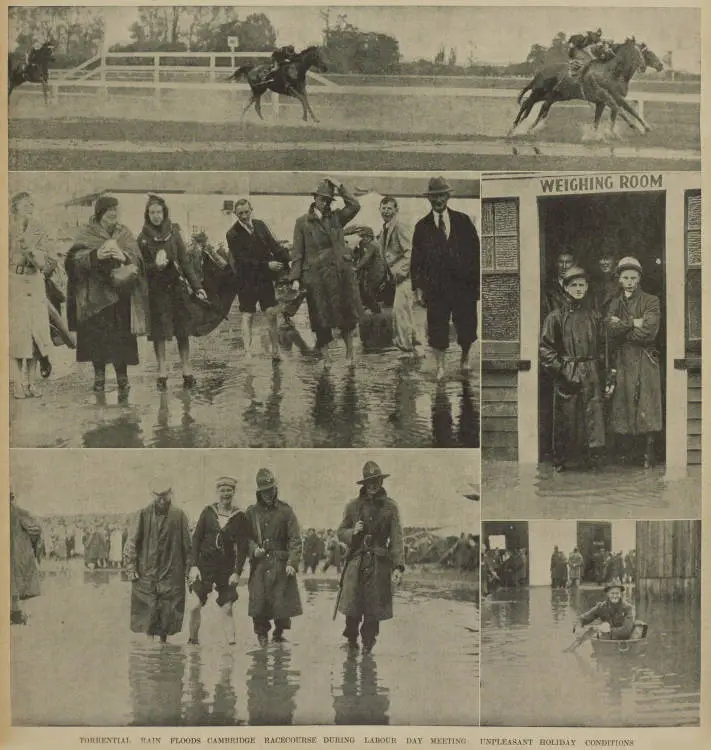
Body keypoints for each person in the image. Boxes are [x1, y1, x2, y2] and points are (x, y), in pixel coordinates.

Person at [65, 196, 149, 397]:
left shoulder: (124, 232)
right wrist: (95, 256)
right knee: (97, 339)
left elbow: (138, 259)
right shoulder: (87, 232)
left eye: (115, 210)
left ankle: (123, 378)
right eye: (109, 210)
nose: (113, 213)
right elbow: (72, 261)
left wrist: (124, 257)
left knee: (121, 339)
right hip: (95, 296)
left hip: (120, 295)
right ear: (100, 213)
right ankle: (99, 378)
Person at [411, 176, 480, 380]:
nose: (438, 200)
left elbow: (475, 253)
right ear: (429, 199)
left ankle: (465, 357)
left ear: (448, 196)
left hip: (463, 286)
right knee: (437, 327)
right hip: (436, 288)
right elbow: (416, 261)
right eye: (434, 196)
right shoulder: (421, 227)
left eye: (441, 195)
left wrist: (474, 285)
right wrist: (418, 288)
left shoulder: (463, 220)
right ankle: (440, 366)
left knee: (466, 326)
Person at [137, 194, 208, 391]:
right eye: (152, 212)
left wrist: (198, 287)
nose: (156, 216)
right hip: (157, 291)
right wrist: (155, 266)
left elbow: (185, 262)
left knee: (182, 329)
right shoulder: (142, 238)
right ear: (147, 214)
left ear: (164, 213)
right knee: (159, 332)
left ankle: (187, 370)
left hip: (177, 288)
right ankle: (162, 371)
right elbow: (140, 268)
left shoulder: (174, 233)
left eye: (159, 212)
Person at [291, 178, 362, 369]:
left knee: (346, 316)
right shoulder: (302, 223)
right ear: (315, 199)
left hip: (339, 274)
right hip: (316, 277)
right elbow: (297, 252)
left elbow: (355, 205)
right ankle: (326, 358)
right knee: (320, 318)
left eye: (329, 200)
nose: (326, 203)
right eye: (322, 199)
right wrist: (295, 278)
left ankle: (349, 355)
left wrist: (340, 186)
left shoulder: (337, 218)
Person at [539, 265, 606, 471]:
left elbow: (603, 347)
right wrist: (563, 369)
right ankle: (561, 461)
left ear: (587, 287)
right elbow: (546, 349)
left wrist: (603, 372)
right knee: (566, 418)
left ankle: (592, 460)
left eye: (582, 285)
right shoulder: (555, 317)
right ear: (565, 288)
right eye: (573, 285)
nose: (578, 289)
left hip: (591, 371)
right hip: (568, 372)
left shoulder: (594, 317)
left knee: (593, 418)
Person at [336, 461, 404, 655]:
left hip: (379, 564)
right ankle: (351, 641)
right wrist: (352, 532)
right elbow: (340, 532)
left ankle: (368, 645)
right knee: (352, 605)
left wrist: (398, 566)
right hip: (356, 561)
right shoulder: (353, 506)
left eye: (376, 481)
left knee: (374, 609)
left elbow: (397, 538)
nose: (373, 485)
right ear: (363, 484)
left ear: (381, 481)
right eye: (369, 482)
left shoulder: (391, 508)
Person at [606, 256, 663, 468]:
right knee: (624, 402)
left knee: (646, 402)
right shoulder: (614, 303)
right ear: (619, 279)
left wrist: (624, 326)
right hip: (622, 359)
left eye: (633, 277)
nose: (629, 281)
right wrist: (634, 323)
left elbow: (649, 331)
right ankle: (628, 455)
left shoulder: (651, 300)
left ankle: (648, 454)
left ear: (639, 278)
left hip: (645, 358)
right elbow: (610, 331)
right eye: (625, 277)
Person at [123, 479, 192, 644]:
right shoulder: (143, 514)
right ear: (152, 495)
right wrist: (131, 568)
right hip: (147, 572)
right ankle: (150, 647)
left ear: (171, 494)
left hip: (171, 571)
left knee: (168, 611)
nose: (162, 500)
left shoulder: (179, 515)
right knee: (148, 611)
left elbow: (187, 546)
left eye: (165, 496)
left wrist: (189, 571)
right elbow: (131, 543)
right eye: (158, 496)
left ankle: (163, 645)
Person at [187, 476, 253, 646]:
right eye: (222, 490)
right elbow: (196, 539)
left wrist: (237, 572)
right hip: (204, 564)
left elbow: (243, 547)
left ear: (234, 492)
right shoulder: (208, 512)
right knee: (195, 605)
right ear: (217, 492)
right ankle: (193, 640)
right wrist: (194, 566)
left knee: (228, 608)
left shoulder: (240, 517)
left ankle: (231, 646)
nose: (226, 494)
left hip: (226, 567)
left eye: (229, 490)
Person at [226, 197, 290, 361]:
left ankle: (275, 350)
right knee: (247, 315)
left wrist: (286, 259)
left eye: (247, 212)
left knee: (271, 314)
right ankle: (247, 352)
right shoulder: (232, 234)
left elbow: (274, 245)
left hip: (264, 280)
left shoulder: (260, 225)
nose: (244, 216)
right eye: (240, 213)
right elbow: (242, 260)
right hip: (246, 280)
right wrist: (266, 265)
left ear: (251, 210)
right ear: (235, 214)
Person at [245, 469, 303, 647]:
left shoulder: (286, 511)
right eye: (265, 491)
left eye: (271, 490)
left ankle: (278, 634)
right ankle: (262, 637)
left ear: (276, 489)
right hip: (260, 564)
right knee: (259, 601)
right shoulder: (252, 513)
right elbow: (245, 538)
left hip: (280, 563)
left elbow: (295, 538)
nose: (268, 494)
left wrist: (292, 562)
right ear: (259, 492)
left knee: (281, 602)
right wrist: (254, 549)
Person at [9, 192, 53, 399]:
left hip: (35, 281)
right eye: (25, 204)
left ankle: (31, 382)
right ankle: (18, 382)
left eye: (32, 203)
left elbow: (45, 261)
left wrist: (33, 251)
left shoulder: (39, 229)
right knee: (18, 332)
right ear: (15, 206)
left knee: (36, 332)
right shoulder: (8, 227)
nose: (30, 206)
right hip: (14, 281)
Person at [378, 197, 419, 353]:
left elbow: (410, 251)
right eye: (383, 208)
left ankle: (408, 349)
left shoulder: (400, 226)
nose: (386, 211)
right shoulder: (385, 229)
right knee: (405, 313)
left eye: (389, 208)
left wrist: (402, 272)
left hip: (405, 277)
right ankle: (416, 348)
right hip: (395, 278)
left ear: (396, 210)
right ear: (379, 210)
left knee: (400, 312)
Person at [10, 492, 41, 625]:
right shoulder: (18, 512)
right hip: (15, 553)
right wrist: (29, 545)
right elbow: (36, 529)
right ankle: (16, 614)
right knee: (15, 583)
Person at [353, 226, 389, 314]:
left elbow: (366, 257)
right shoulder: (368, 244)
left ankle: (376, 310)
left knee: (369, 290)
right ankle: (373, 308)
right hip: (374, 271)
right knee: (367, 289)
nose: (363, 238)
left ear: (369, 237)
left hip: (377, 271)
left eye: (365, 236)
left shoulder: (372, 245)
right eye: (362, 237)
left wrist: (356, 267)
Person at [543, 252, 577, 318]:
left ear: (574, 264)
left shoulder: (581, 286)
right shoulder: (549, 289)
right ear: (556, 264)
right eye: (561, 262)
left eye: (568, 262)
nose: (564, 266)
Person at [591, 251, 619, 315]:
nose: (604, 262)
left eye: (607, 258)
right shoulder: (595, 283)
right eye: (602, 258)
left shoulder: (621, 283)